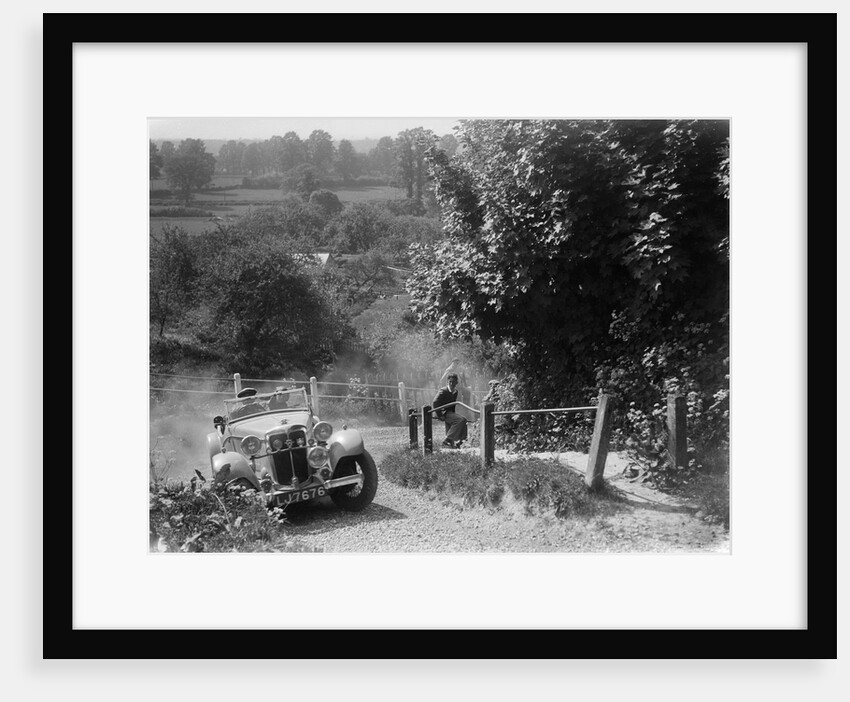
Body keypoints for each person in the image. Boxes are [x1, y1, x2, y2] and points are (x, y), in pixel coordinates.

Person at [432, 373, 468, 448]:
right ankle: (447, 440)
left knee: (464, 420)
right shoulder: (443, 391)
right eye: (450, 382)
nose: (451, 383)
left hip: (449, 413)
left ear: (456, 382)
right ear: (447, 382)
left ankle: (461, 441)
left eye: (453, 382)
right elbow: (435, 402)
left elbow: (452, 405)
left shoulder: (455, 391)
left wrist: (453, 414)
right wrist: (440, 415)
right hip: (443, 412)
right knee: (460, 420)